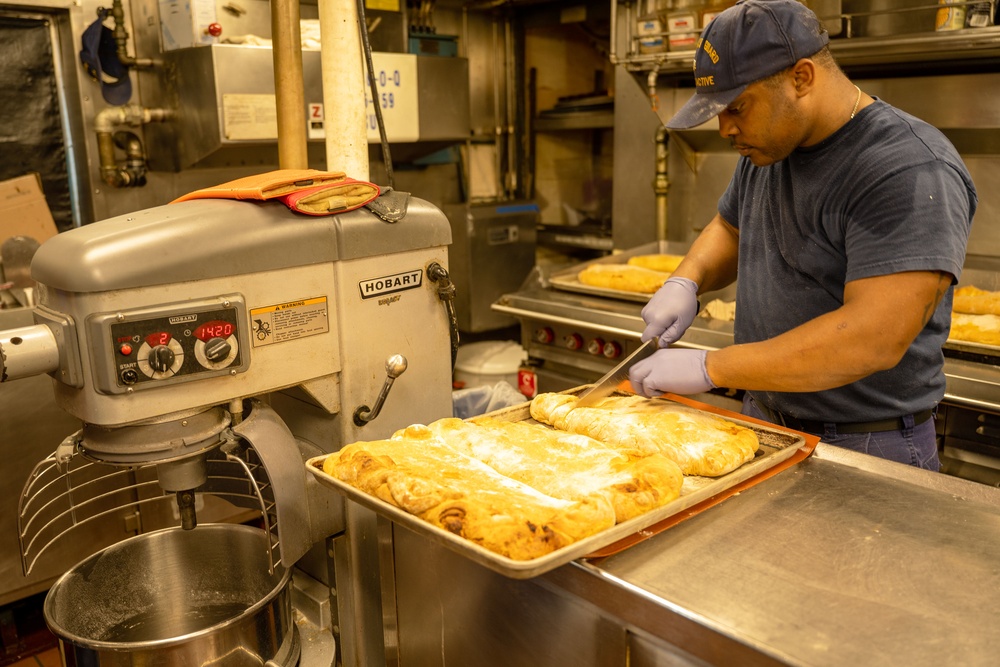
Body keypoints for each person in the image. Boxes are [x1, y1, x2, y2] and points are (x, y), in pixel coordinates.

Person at [627, 0, 977, 470]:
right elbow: (731, 225)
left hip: (863, 443)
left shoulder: (906, 167)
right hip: (765, 421)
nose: (724, 128)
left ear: (802, 77)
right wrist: (686, 279)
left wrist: (711, 367)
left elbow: (872, 337)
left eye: (736, 107)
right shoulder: (769, 146)